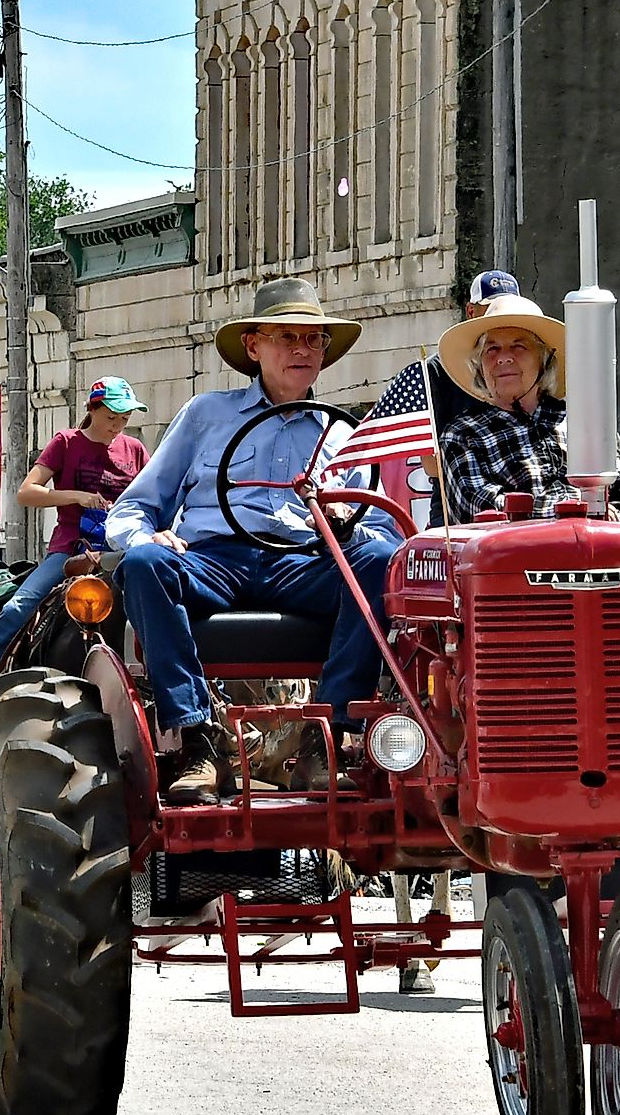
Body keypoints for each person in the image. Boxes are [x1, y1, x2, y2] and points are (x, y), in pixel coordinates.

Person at [108, 277, 403, 801]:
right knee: (143, 564)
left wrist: (344, 522)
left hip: (303, 564)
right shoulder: (206, 415)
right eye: (287, 336)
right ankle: (198, 741)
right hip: (214, 562)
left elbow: (378, 526)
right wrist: (150, 537)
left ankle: (328, 738)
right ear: (253, 346)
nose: (302, 349)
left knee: (380, 559)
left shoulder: (343, 434)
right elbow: (135, 506)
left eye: (313, 340)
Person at [0, 378, 149, 677]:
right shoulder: (66, 442)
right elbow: (26, 492)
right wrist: (76, 496)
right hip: (70, 549)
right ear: (92, 410)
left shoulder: (134, 449)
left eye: (124, 418)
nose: (117, 426)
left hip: (122, 550)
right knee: (20, 606)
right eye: (111, 417)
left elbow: (154, 495)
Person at [435, 292, 571, 523]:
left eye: (519, 346)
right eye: (492, 349)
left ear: (544, 358)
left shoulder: (584, 422)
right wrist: (579, 513)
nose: (503, 358)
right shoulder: (463, 434)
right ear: (480, 366)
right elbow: (481, 513)